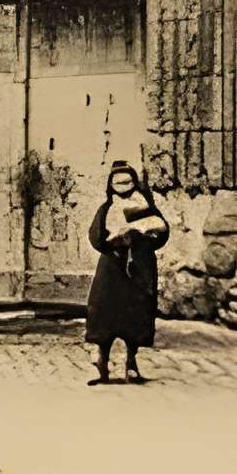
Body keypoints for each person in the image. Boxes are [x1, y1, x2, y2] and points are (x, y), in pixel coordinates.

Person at [85, 162, 170, 385]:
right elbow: (95, 236)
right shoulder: (107, 208)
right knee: (105, 311)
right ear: (111, 185)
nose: (123, 186)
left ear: (134, 183)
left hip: (139, 267)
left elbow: (161, 233)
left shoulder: (144, 205)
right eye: (118, 182)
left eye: (127, 181)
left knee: (136, 313)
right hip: (112, 267)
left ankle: (131, 363)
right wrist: (111, 243)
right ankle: (102, 362)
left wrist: (141, 237)